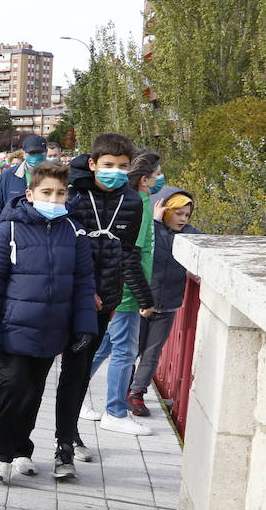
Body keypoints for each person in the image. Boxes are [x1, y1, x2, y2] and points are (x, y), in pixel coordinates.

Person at [0, 162, 97, 483]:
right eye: (46, 192)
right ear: (30, 194)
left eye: (60, 193)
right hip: (13, 329)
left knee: (32, 393)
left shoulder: (74, 231)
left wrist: (85, 326)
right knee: (12, 387)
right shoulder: (9, 229)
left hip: (52, 331)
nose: (54, 199)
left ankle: (21, 450)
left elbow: (84, 282)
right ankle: (0, 454)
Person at [54, 134, 155, 473]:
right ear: (94, 163)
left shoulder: (134, 202)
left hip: (101, 303)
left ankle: (65, 443)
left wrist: (145, 299)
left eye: (122, 167)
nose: (114, 171)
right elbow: (53, 244)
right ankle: (15, 445)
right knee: (30, 374)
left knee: (77, 371)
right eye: (107, 165)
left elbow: (128, 254)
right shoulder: (73, 193)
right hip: (61, 297)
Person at [85, 149, 161, 434]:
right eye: (156, 175)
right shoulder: (139, 202)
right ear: (144, 180)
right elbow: (132, 253)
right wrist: (145, 297)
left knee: (103, 347)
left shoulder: (132, 200)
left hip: (123, 288)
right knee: (125, 352)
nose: (158, 180)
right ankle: (115, 411)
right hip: (128, 292)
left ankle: (75, 395)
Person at [128, 187, 200, 416]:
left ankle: (136, 394)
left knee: (152, 351)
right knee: (132, 349)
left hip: (168, 305)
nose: (182, 219)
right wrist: (156, 222)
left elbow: (210, 246)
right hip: (143, 302)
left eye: (187, 215)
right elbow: (140, 250)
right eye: (178, 213)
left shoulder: (189, 235)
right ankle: (122, 387)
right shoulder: (151, 230)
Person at [0, 134, 47, 231]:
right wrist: (1, 230)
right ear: (24, 153)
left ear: (45, 153)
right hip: (14, 234)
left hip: (44, 232)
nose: (36, 156)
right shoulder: (8, 176)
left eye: (39, 152)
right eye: (32, 153)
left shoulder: (55, 176)